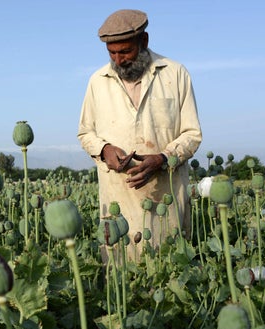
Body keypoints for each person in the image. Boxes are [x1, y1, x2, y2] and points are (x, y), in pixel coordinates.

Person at [77, 9, 202, 259]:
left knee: (167, 271)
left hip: (165, 196)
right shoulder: (98, 81)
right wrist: (104, 150)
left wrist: (163, 158)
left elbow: (192, 133)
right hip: (118, 197)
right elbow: (85, 132)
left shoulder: (175, 74)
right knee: (120, 278)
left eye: (125, 51)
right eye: (112, 53)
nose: (119, 60)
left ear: (143, 41)